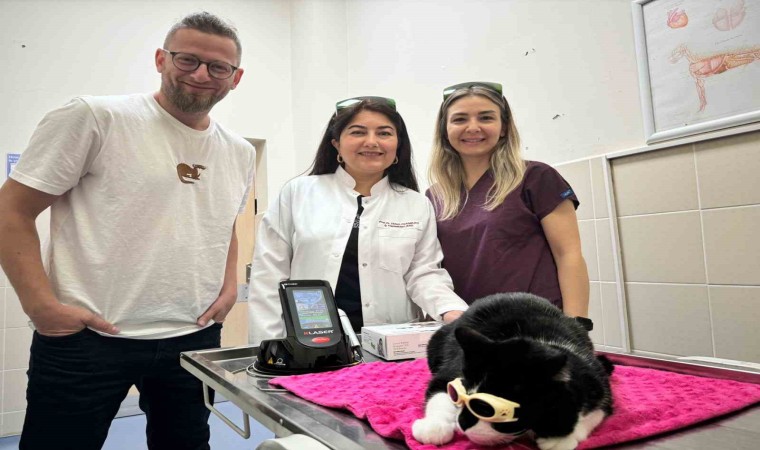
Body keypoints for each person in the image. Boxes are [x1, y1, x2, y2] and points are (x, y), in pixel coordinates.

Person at [0, 12, 255, 450]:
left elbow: (223, 221)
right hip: (88, 338)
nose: (201, 75)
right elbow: (11, 211)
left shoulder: (240, 150)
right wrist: (41, 307)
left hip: (193, 336)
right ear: (161, 59)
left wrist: (229, 287)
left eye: (218, 67)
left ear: (236, 77)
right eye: (188, 60)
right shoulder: (95, 117)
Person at [248, 97, 467, 346]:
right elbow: (269, 275)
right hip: (307, 343)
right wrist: (269, 345)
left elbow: (423, 272)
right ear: (336, 144)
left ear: (398, 145)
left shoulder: (416, 204)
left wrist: (451, 309)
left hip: (390, 343)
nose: (371, 142)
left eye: (384, 133)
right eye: (358, 132)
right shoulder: (298, 193)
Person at [427, 81, 590, 321]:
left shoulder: (536, 178)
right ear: (445, 130)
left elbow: (569, 255)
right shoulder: (435, 196)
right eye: (460, 119)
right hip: (466, 328)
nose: (473, 127)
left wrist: (576, 326)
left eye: (486, 118)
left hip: (534, 325)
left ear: (503, 127)